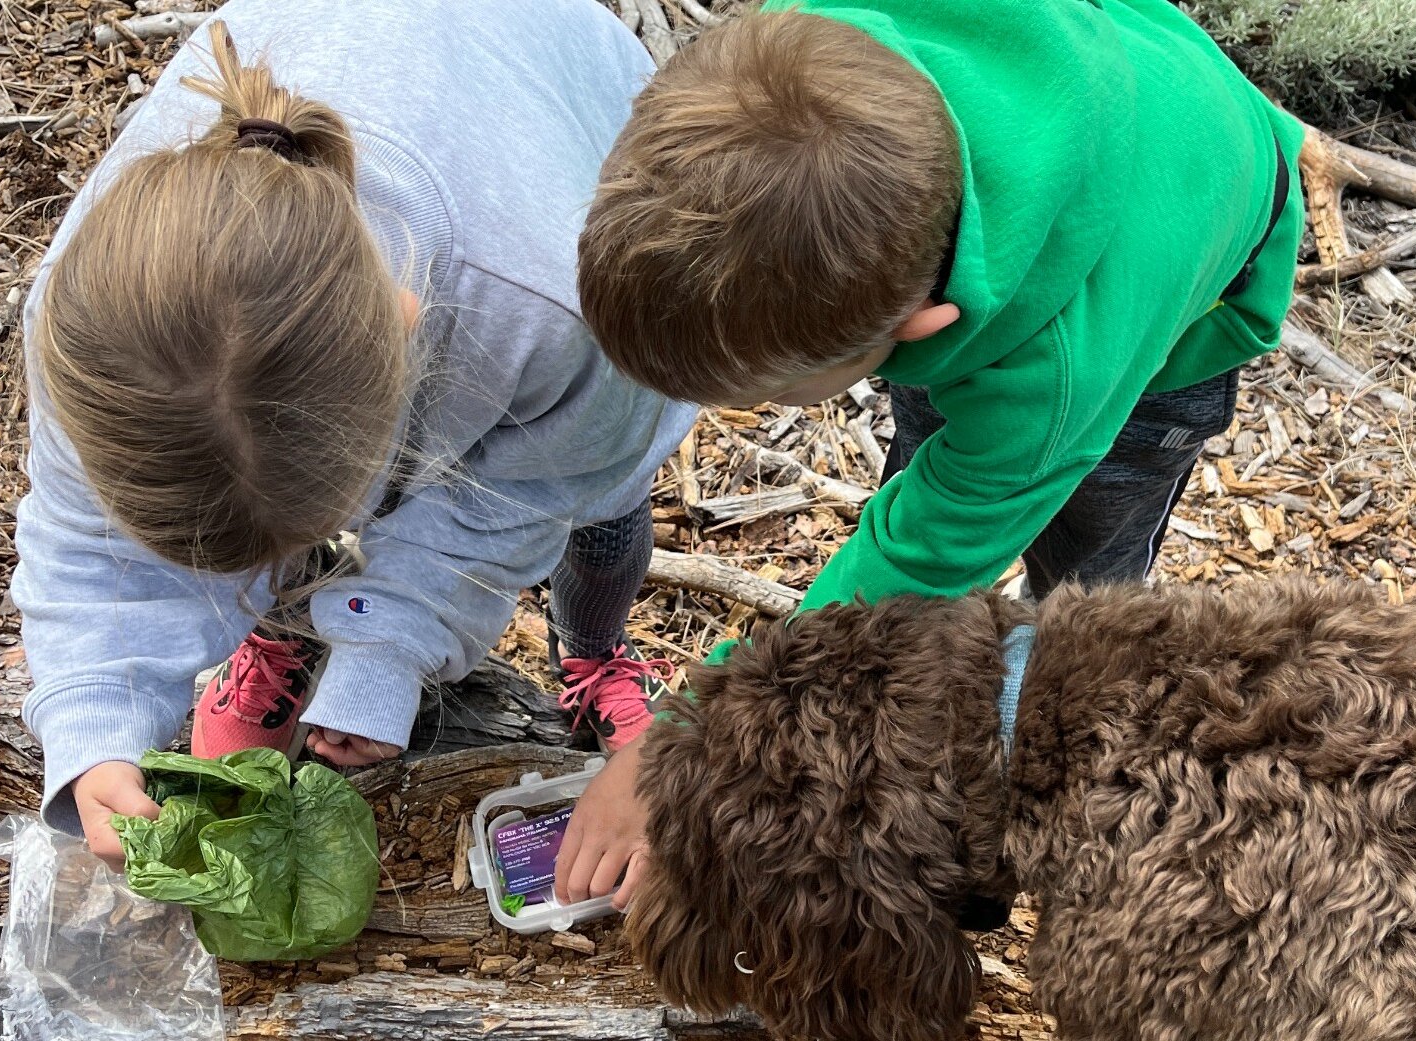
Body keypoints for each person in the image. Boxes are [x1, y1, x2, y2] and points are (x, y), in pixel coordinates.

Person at [556, 0, 1306, 907]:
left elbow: (915, 557)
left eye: (767, 395)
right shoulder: (810, 51)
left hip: (1174, 294)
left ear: (920, 331)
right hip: (1069, 124)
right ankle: (879, 708)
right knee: (926, 530)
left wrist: (682, 736)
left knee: (1086, 590)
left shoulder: (1048, 384)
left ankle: (1042, 799)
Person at [13, 0, 692, 866]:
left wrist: (384, 647)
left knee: (602, 519)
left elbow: (534, 489)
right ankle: (284, 629)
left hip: (561, 106)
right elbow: (87, 533)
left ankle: (594, 649)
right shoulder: (95, 312)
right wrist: (95, 720)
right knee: (264, 494)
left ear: (408, 331)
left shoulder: (562, 307)